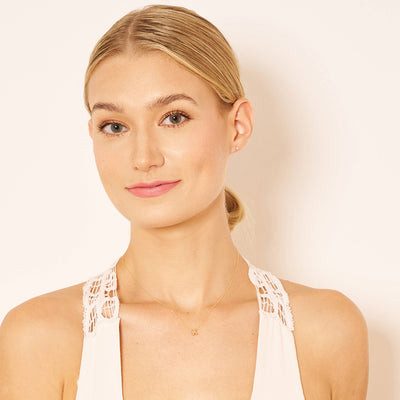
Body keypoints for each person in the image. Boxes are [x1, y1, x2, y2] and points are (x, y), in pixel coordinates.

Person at [0, 4, 369, 399]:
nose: (143, 158)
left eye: (174, 118)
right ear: (93, 135)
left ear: (238, 126)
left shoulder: (326, 332)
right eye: (115, 126)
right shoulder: (40, 339)